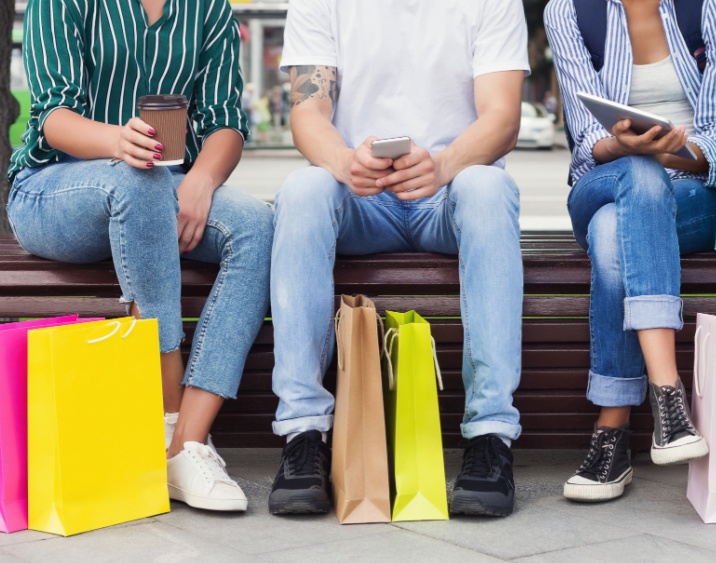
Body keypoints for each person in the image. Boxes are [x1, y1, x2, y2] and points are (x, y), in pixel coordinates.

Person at [5, 0, 273, 512]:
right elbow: (53, 117)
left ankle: (188, 445)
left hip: (162, 186)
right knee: (141, 180)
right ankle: (165, 417)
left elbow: (225, 121)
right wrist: (118, 141)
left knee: (257, 224)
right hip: (53, 191)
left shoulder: (209, 10)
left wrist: (201, 179)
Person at [267, 0, 528, 517]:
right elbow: (307, 111)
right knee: (302, 190)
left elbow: (503, 117)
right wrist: (345, 161)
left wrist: (443, 165)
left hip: (449, 191)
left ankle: (491, 436)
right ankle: (303, 433)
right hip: (361, 195)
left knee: (488, 187)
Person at [545, 0, 716, 502]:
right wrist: (627, 148)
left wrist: (669, 151)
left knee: (614, 232)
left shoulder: (711, 7)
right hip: (604, 180)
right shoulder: (568, 11)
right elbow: (586, 140)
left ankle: (612, 432)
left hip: (690, 191)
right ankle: (668, 399)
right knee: (638, 174)